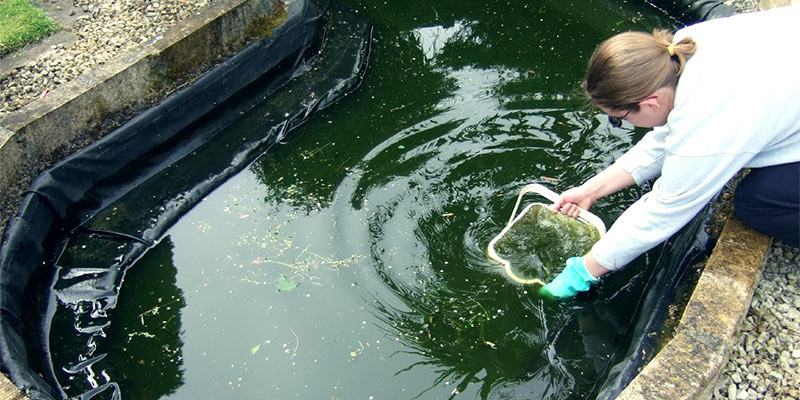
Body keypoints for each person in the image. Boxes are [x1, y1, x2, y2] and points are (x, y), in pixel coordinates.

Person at [541, 6, 800, 299]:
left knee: (760, 201)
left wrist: (581, 272)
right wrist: (592, 190)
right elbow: (669, 136)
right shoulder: (682, 50)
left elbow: (664, 210)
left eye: (618, 118)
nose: (619, 125)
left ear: (650, 103)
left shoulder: (711, 124)